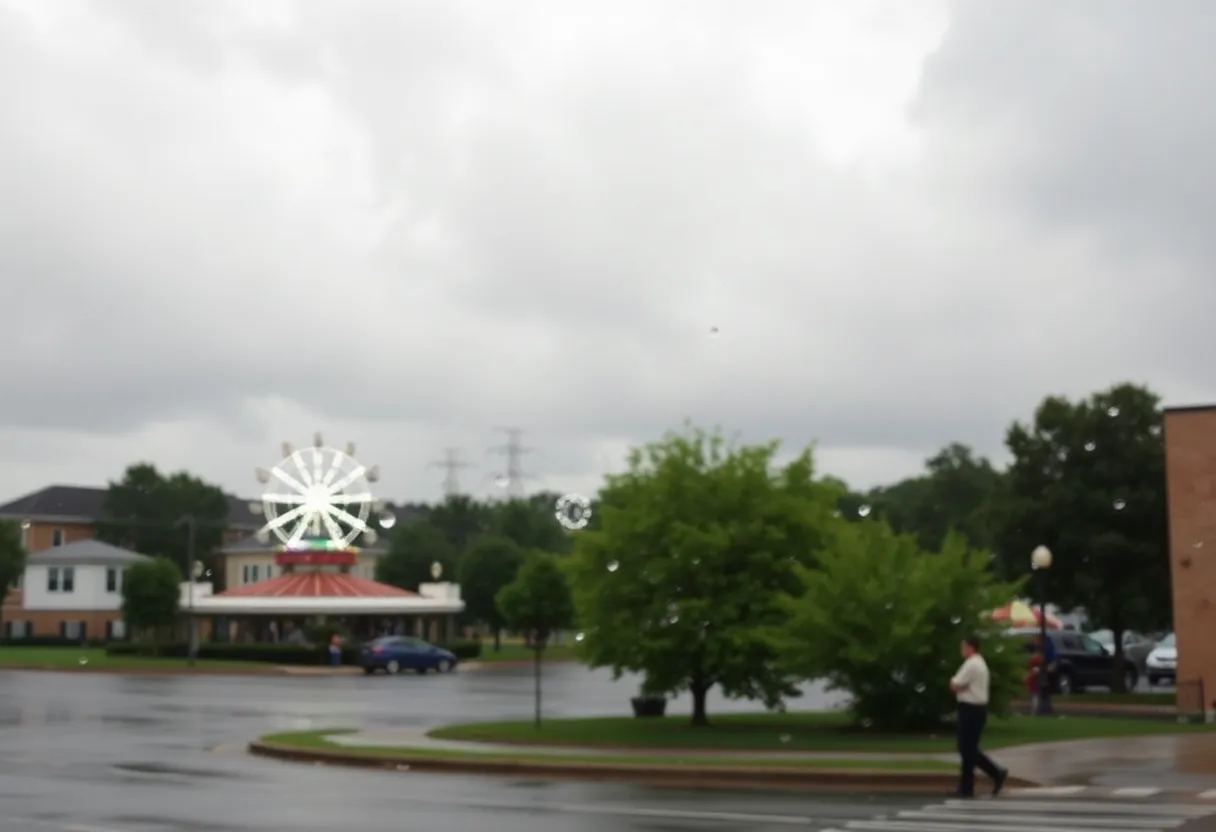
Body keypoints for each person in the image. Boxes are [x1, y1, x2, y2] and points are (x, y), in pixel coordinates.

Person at [949, 634, 1008, 798]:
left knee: (966, 748)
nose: (961, 650)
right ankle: (966, 787)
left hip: (970, 709)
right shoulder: (980, 663)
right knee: (968, 749)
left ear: (970, 647)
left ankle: (996, 772)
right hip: (977, 710)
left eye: (963, 647)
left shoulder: (971, 664)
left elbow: (954, 684)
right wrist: (961, 687)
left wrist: (958, 686)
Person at [1032, 632, 1057, 715]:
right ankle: (1045, 708)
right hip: (1045, 671)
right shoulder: (1046, 646)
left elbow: (1046, 660)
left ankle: (1042, 709)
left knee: (1042, 690)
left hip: (1045, 671)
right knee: (1044, 691)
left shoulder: (1045, 647)